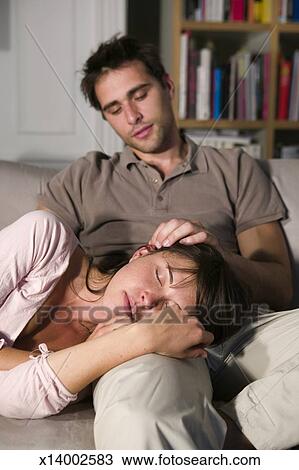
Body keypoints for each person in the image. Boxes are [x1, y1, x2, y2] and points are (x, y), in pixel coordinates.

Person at [35, 36, 299, 449]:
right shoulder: (83, 177)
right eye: (115, 109)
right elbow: (33, 276)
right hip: (143, 335)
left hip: (241, 324)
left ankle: (217, 430)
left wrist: (218, 253)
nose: (133, 116)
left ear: (168, 87)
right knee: (140, 419)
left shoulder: (233, 167)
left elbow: (282, 285)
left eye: (140, 95)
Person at [0, 210, 247, 448]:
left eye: (168, 311)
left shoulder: (111, 354)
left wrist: (130, 341)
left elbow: (13, 398)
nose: (148, 300)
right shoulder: (44, 237)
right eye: (160, 276)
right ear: (141, 253)